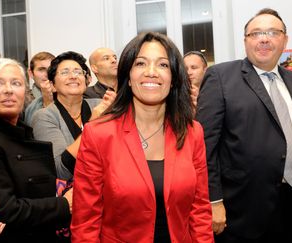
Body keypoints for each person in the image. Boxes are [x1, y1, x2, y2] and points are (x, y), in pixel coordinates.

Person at [196, 8, 292, 243]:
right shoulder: (220, 77)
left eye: (272, 32)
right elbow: (204, 148)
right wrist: (213, 201)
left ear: (285, 40)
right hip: (242, 208)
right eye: (256, 33)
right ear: (245, 41)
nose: (264, 38)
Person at [71, 32, 213, 242]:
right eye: (140, 63)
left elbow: (199, 210)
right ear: (127, 78)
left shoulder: (192, 132)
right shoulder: (98, 134)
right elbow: (86, 222)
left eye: (163, 65)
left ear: (174, 78)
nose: (151, 72)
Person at [0, 58, 72, 242]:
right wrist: (65, 204)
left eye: (16, 83)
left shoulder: (23, 133)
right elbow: (3, 211)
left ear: (25, 93)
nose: (8, 90)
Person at [32, 51, 115, 180]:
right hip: (74, 193)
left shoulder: (100, 105)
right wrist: (93, 123)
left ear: (86, 80)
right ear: (53, 85)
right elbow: (61, 170)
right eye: (65, 72)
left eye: (78, 72)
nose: (73, 76)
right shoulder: (45, 117)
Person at [24, 51, 55, 124]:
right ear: (31, 73)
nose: (47, 74)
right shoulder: (23, 99)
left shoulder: (65, 95)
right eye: (41, 69)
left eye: (51, 69)